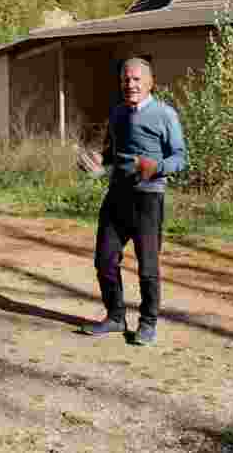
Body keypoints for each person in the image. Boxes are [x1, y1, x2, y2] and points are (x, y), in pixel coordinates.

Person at [80, 57, 186, 346]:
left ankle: (148, 323)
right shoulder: (117, 114)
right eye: (126, 79)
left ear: (150, 82)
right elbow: (113, 153)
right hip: (117, 196)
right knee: (104, 260)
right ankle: (115, 317)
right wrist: (98, 161)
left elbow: (180, 158)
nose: (131, 84)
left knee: (148, 267)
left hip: (149, 198)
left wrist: (157, 167)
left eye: (137, 79)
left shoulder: (165, 115)